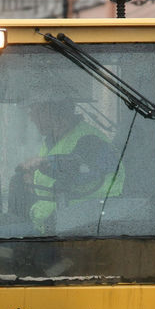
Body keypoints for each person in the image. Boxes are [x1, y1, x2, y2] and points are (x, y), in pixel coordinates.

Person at [15, 99, 124, 233]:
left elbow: (81, 169)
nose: (31, 118)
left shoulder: (91, 140)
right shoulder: (52, 140)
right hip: (54, 223)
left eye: (33, 111)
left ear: (50, 111)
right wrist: (30, 176)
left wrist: (46, 163)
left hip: (87, 226)